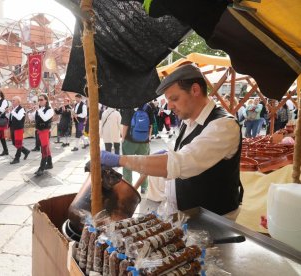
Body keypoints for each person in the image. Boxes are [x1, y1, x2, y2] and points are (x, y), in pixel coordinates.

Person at [100, 64, 243, 220]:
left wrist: (120, 160)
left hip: (214, 221)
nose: (169, 106)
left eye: (174, 98)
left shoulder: (223, 125)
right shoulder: (187, 121)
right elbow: (175, 155)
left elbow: (180, 163)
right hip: (186, 216)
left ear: (195, 90)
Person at [120, 102, 154, 194]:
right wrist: (149, 137)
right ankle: (144, 187)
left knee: (127, 164)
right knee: (144, 164)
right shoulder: (148, 107)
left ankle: (128, 186)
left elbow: (125, 125)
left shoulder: (129, 106)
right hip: (144, 142)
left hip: (129, 141)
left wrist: (123, 138)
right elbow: (150, 125)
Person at [28, 94, 54, 176]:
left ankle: (41, 168)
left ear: (46, 100)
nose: (40, 101)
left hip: (45, 131)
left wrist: (38, 110)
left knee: (44, 148)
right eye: (39, 100)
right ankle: (49, 164)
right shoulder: (39, 109)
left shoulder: (50, 110)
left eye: (41, 99)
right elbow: (31, 118)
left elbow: (45, 118)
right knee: (46, 148)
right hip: (39, 130)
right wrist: (31, 112)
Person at [6, 96, 30, 164]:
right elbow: (10, 118)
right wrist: (8, 113)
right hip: (13, 127)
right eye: (12, 100)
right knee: (14, 143)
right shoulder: (13, 109)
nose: (12, 102)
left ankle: (17, 158)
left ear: (18, 102)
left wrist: (12, 111)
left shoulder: (21, 109)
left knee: (18, 143)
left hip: (18, 128)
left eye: (14, 101)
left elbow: (19, 118)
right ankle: (26, 151)